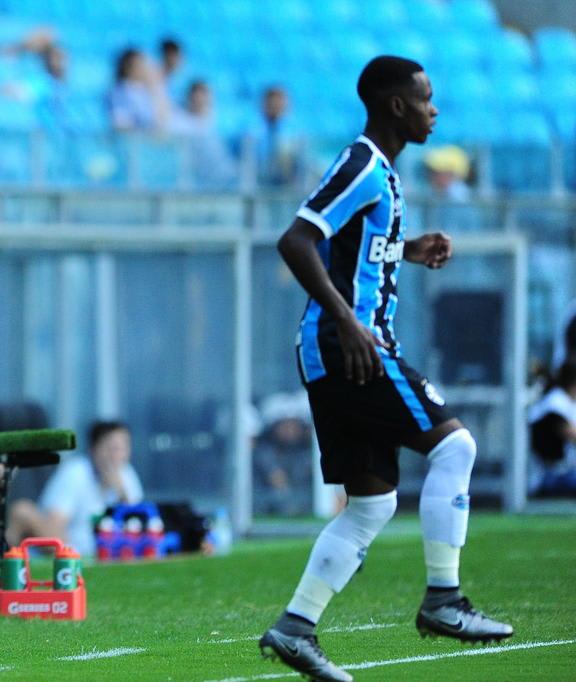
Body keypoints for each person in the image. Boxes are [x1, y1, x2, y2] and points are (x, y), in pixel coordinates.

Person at [259, 56, 513, 682]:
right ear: (396, 105)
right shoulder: (364, 164)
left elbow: (349, 247)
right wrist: (347, 320)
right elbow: (296, 240)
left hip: (339, 347)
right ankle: (444, 602)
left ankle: (295, 628)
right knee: (456, 446)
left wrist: (407, 249)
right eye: (426, 100)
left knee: (371, 506)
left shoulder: (385, 176)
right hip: (350, 346)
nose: (435, 110)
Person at [8, 420, 144, 558]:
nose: (117, 455)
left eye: (123, 447)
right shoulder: (75, 472)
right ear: (93, 449)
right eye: (111, 448)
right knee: (22, 510)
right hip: (71, 549)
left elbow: (140, 524)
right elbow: (55, 523)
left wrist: (122, 495)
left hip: (113, 550)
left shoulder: (127, 474)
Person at [528, 361, 576, 496]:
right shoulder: (555, 402)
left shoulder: (567, 400)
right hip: (546, 476)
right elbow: (572, 434)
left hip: (563, 471)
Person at [248, 85, 303, 187]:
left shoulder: (295, 134)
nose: (275, 108)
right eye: (271, 104)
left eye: (279, 104)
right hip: (259, 185)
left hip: (287, 187)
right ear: (264, 105)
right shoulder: (252, 133)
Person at [107, 48, 169, 133]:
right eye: (142, 65)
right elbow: (121, 126)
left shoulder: (141, 90)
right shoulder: (122, 92)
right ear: (130, 68)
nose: (146, 69)